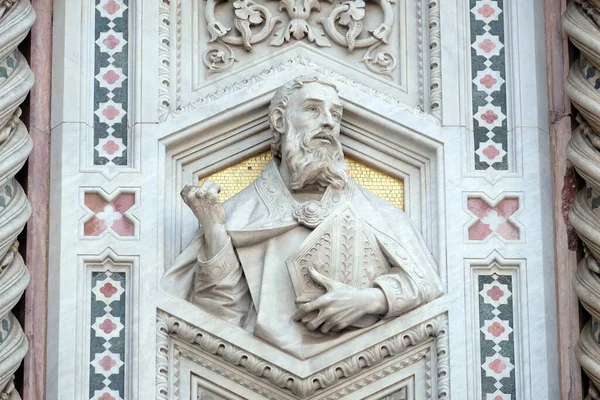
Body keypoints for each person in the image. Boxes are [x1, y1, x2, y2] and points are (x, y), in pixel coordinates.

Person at [162, 76, 443, 358]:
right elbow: (215, 318)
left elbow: (428, 285)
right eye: (312, 109)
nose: (328, 122)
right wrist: (214, 231)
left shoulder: (380, 214)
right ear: (279, 121)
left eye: (335, 114)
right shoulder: (240, 213)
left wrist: (372, 299)